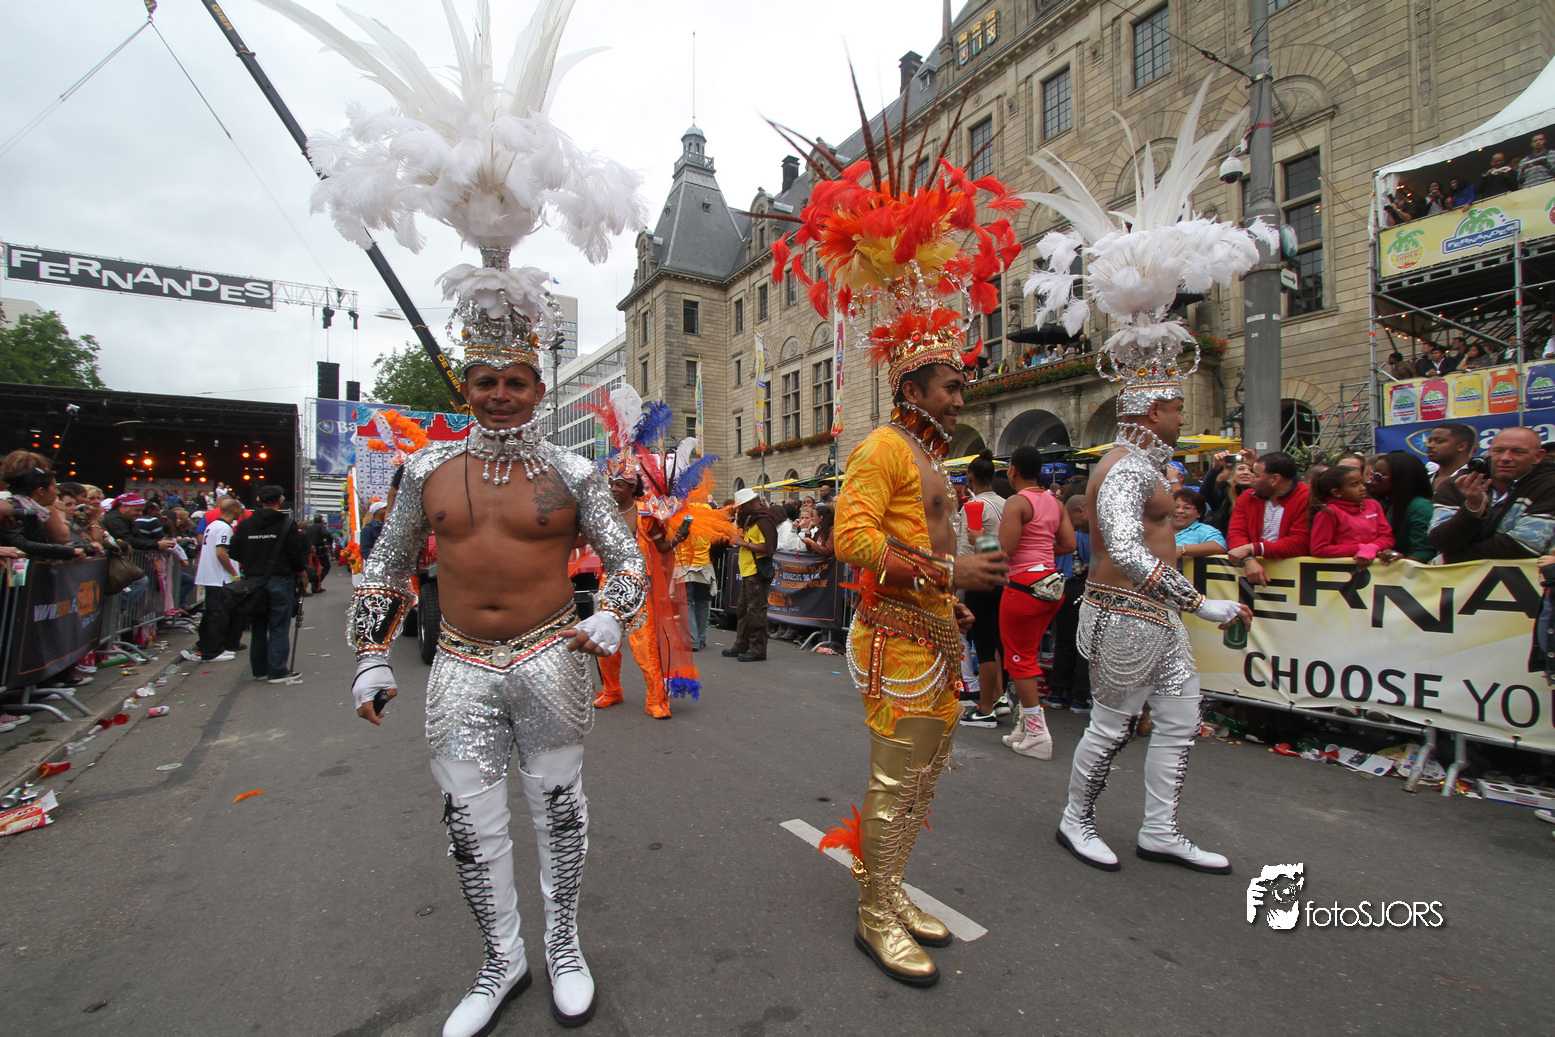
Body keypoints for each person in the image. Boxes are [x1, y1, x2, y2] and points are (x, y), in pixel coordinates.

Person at [347, 348, 646, 1034]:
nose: (500, 395)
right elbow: (388, 563)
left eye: (515, 382)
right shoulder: (427, 468)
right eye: (486, 382)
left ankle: (562, 947)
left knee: (559, 811)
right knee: (469, 821)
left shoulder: (573, 472)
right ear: (467, 390)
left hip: (550, 655)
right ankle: (501, 960)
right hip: (459, 661)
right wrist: (370, 654)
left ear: (538, 391)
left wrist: (611, 613)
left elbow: (626, 559)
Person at [781, 138, 1015, 987]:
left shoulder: (930, 456)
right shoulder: (882, 446)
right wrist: (950, 577)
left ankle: (889, 886)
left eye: (960, 383)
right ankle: (874, 912)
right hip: (894, 639)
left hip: (930, 631)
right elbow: (851, 541)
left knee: (922, 780)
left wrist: (950, 598)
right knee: (896, 778)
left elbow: (919, 539)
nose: (961, 395)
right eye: (949, 385)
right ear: (912, 389)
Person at [1055, 362, 1250, 875]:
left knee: (1180, 722)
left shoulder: (1144, 465)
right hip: (1124, 614)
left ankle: (1160, 831)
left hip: (1158, 615)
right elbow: (1124, 549)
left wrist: (1182, 605)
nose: (1183, 417)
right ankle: (1075, 821)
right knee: (1110, 727)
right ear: (1154, 411)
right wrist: (1200, 603)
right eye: (1178, 408)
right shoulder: (1127, 468)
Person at [995, 445, 1075, 759]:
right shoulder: (1056, 502)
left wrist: (979, 540)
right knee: (1025, 655)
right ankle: (1025, 726)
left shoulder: (1017, 502)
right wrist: (1040, 551)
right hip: (1051, 584)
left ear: (1013, 470)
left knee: (1020, 659)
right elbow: (1068, 543)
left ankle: (1038, 733)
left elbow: (1005, 549)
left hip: (1023, 586)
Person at [1429, 426, 1555, 562]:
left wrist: (1449, 560)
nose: (1505, 458)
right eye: (1498, 450)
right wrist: (1473, 507)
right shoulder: (1459, 483)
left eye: (1518, 452)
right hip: (1458, 575)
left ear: (1538, 456)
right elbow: (1441, 542)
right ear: (1489, 451)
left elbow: (1525, 545)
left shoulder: (1548, 485)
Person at [229, 486, 308, 684]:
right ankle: (277, 670)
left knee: (258, 625)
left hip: (253, 580)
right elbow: (294, 554)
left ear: (259, 500)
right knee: (279, 626)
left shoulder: (245, 525)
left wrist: (251, 560)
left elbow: (234, 551)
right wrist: (302, 574)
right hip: (280, 578)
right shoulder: (287, 524)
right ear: (280, 500)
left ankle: (260, 670)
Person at [958, 453, 1010, 727]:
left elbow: (966, 549)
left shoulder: (974, 506)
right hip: (1003, 576)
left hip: (979, 577)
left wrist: (956, 583)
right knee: (996, 640)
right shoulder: (1006, 503)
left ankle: (986, 707)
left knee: (984, 644)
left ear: (971, 478)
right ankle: (1000, 697)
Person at [1226, 452, 1312, 586]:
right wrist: (1248, 560)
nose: (1251, 478)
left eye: (1257, 475)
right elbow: (1235, 534)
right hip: (1252, 580)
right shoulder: (1247, 496)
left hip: (1297, 581)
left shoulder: (1308, 498)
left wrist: (1252, 548)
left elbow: (1299, 543)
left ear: (1275, 479)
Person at [181, 497, 245, 663]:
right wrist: (234, 574)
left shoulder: (212, 525)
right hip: (218, 577)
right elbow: (221, 553)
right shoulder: (224, 528)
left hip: (210, 575)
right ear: (235, 510)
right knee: (217, 614)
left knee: (210, 613)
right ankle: (213, 650)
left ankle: (205, 646)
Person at [1045, 494, 1093, 714]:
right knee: (1083, 643)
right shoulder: (1089, 535)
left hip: (1059, 586)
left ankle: (1057, 692)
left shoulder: (1060, 534)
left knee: (1063, 641)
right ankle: (1079, 697)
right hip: (1081, 588)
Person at [724, 488, 777, 662]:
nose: (740, 509)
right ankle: (741, 645)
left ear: (752, 503)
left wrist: (743, 543)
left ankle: (757, 650)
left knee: (755, 611)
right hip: (749, 570)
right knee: (744, 611)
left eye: (742, 506)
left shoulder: (763, 520)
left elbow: (768, 547)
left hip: (756, 570)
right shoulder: (753, 518)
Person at [1309, 467, 1394, 567]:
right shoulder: (1328, 513)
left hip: (1376, 569)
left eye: (1361, 482)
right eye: (1355, 484)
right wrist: (1359, 548)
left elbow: (1387, 537)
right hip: (1343, 570)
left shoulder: (1373, 505)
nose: (1363, 488)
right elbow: (1319, 549)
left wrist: (1372, 548)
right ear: (1336, 492)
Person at [1367, 451, 1434, 562]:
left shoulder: (1420, 507)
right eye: (1373, 473)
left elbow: (1426, 552)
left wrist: (1399, 560)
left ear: (1400, 478)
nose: (1371, 479)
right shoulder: (1386, 504)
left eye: (1378, 475)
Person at [1172, 489, 1227, 562]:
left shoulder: (1203, 530)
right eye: (1176, 507)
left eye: (1187, 508)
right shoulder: (1160, 527)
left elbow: (1220, 546)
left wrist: (1182, 549)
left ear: (1199, 513)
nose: (1180, 511)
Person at [305, 513, 335, 593]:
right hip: (319, 550)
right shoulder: (321, 527)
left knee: (312, 567)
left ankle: (315, 584)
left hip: (310, 550)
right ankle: (317, 583)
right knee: (325, 567)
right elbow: (327, 534)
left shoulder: (309, 528)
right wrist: (329, 543)